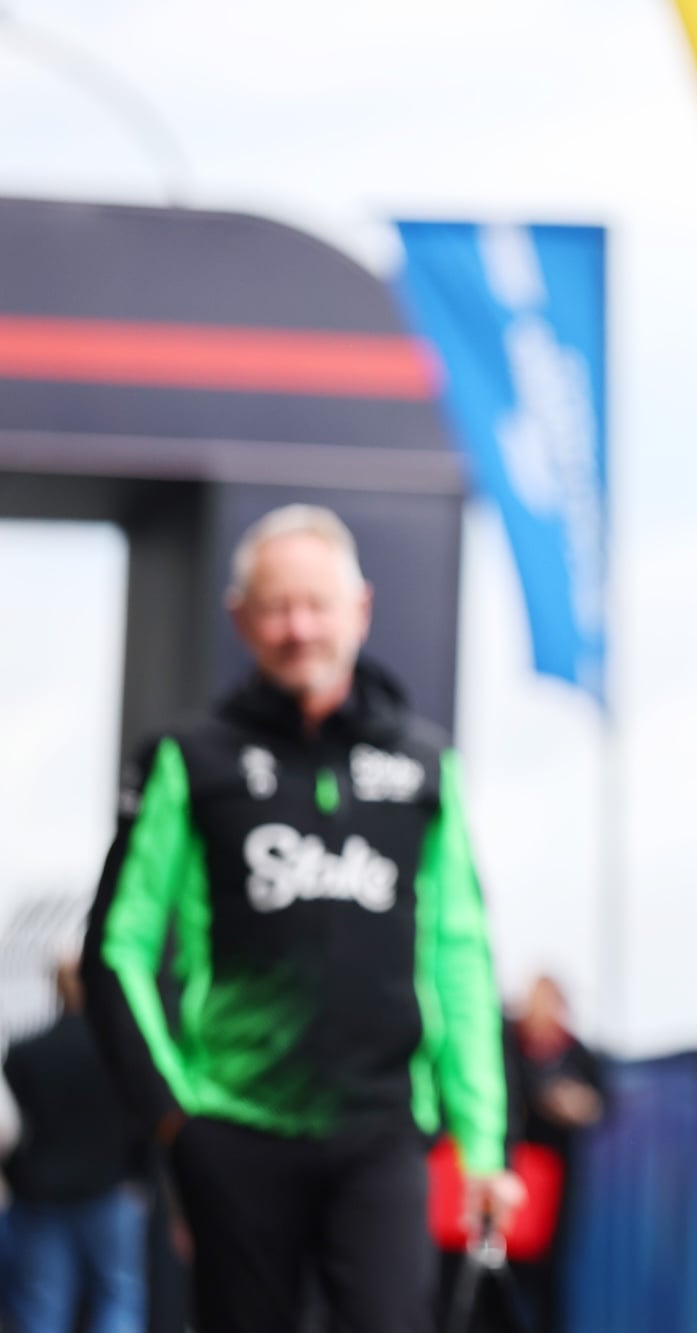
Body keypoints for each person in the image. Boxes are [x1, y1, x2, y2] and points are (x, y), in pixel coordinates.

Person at [81, 503, 516, 1333]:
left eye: (317, 603)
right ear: (239, 617)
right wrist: (175, 1119)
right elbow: (117, 947)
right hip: (234, 1129)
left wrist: (484, 1144)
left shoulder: (427, 768)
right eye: (277, 606)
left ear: (361, 608)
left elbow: (461, 954)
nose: (298, 626)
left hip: (385, 1131)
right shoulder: (186, 757)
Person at [2, 958, 149, 1333]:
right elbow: (138, 1124)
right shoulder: (118, 1051)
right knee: (119, 1299)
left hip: (42, 1192)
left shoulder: (25, 1053)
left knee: (43, 1307)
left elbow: (17, 1130)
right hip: (108, 1188)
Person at [505, 975, 606, 1333]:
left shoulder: (577, 1053)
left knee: (551, 1271)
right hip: (509, 1171)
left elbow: (601, 1106)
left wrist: (573, 1105)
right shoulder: (508, 1045)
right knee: (500, 1266)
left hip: (557, 1179)